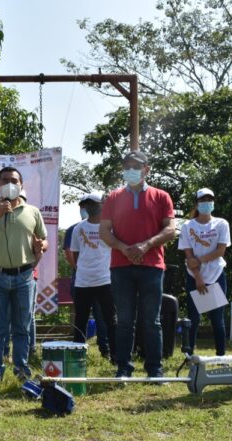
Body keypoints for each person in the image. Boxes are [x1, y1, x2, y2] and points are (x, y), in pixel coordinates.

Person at [99, 150, 175, 380]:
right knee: (124, 320)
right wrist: (124, 248)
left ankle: (155, 369)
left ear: (146, 169)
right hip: (120, 266)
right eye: (127, 166)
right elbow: (104, 231)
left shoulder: (161, 196)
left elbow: (170, 229)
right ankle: (123, 368)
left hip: (152, 266)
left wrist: (146, 245)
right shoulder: (113, 197)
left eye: (136, 166)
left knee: (152, 320)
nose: (130, 170)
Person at [0, 166, 47, 382]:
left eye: (14, 181)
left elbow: (44, 240)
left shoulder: (33, 211)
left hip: (24, 276)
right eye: (5, 180)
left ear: (21, 185)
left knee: (22, 328)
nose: (10, 184)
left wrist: (41, 246)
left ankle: (22, 372)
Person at [178, 188, 231, 355]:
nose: (206, 203)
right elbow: (189, 256)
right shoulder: (188, 226)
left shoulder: (221, 224)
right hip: (194, 276)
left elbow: (220, 251)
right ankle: (189, 355)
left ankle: (221, 355)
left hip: (216, 274)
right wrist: (198, 278)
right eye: (203, 200)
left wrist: (200, 260)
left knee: (217, 319)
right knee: (194, 318)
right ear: (197, 203)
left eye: (210, 199)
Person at [70, 192, 116, 361]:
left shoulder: (110, 227)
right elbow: (76, 254)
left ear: (102, 205)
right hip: (83, 282)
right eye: (86, 204)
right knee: (80, 320)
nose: (89, 207)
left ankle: (115, 355)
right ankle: (77, 357)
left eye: (93, 204)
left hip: (105, 280)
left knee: (110, 319)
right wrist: (84, 269)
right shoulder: (78, 228)